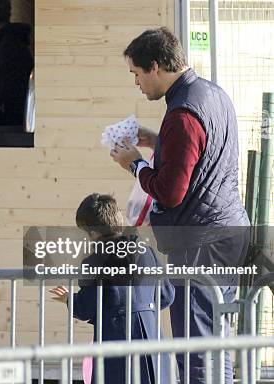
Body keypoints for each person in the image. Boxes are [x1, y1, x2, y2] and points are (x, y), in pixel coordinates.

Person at [110, 27, 250, 383]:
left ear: (155, 66)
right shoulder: (212, 94)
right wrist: (157, 141)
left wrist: (134, 163)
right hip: (228, 230)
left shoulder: (182, 114)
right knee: (217, 342)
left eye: (137, 74)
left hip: (199, 241)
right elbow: (204, 159)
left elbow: (170, 192)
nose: (137, 84)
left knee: (197, 349)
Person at [50, 193, 175, 384]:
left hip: (116, 340)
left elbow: (87, 307)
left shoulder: (94, 261)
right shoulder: (145, 251)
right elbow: (167, 295)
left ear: (92, 232)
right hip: (151, 336)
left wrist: (69, 299)